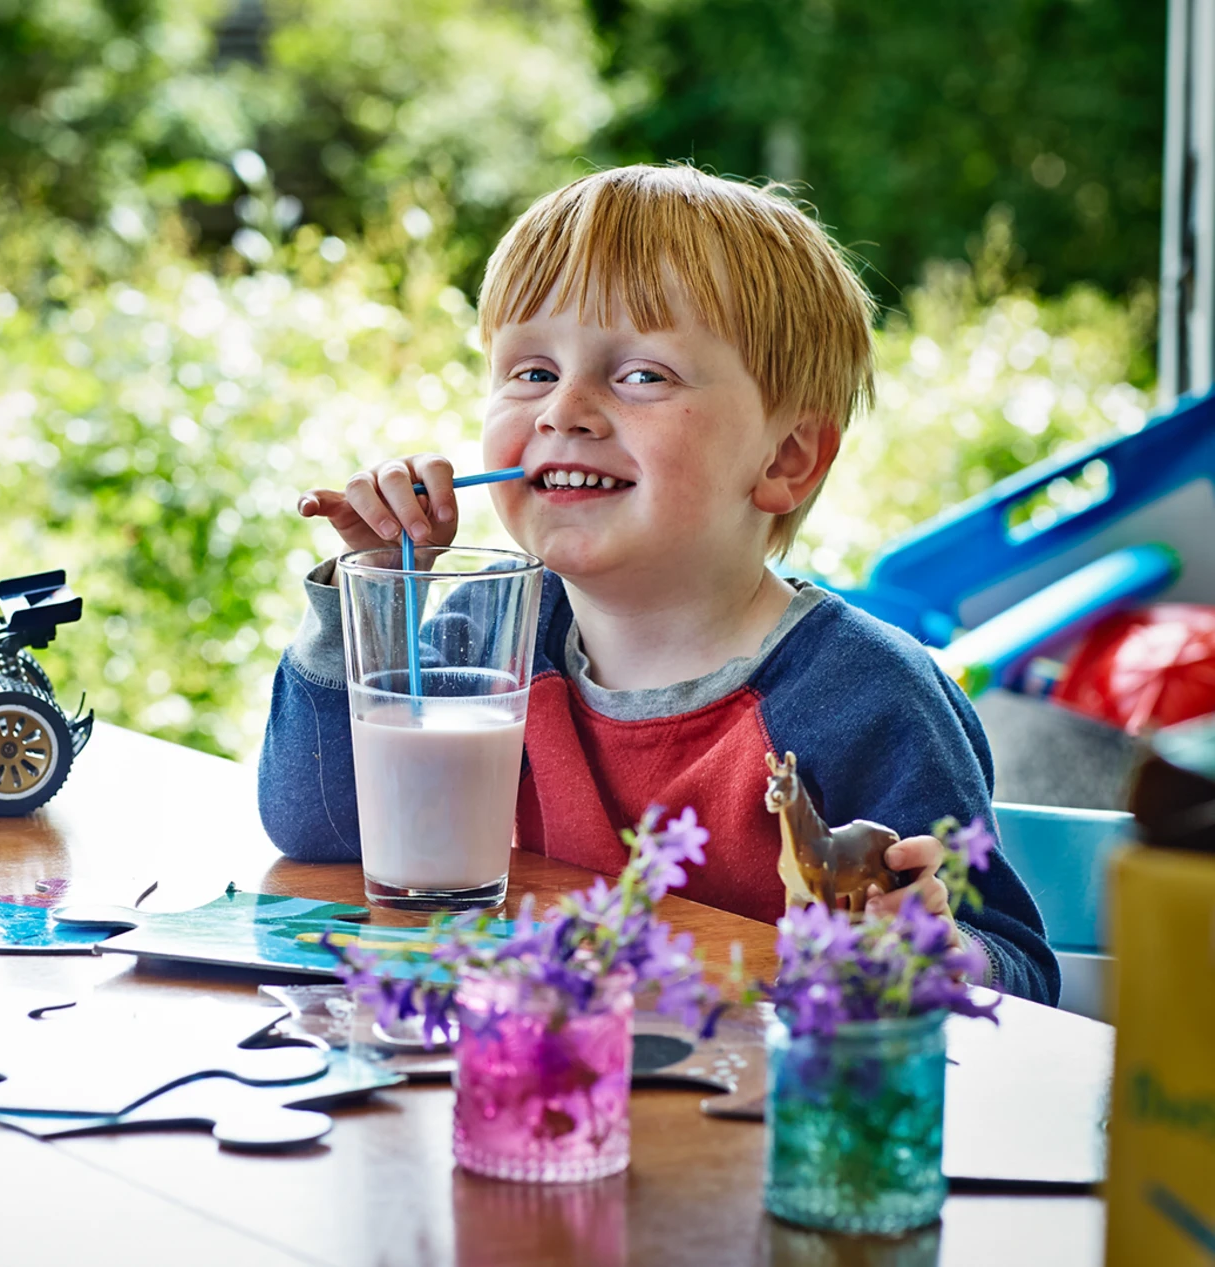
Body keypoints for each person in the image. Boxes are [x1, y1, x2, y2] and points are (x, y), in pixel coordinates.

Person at [257, 165, 1059, 1004]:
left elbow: (1027, 981)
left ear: (784, 459)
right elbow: (318, 828)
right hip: (542, 1099)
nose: (563, 410)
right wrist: (374, 598)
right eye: (530, 371)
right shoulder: (494, 637)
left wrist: (941, 952)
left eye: (642, 374)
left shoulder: (869, 699)